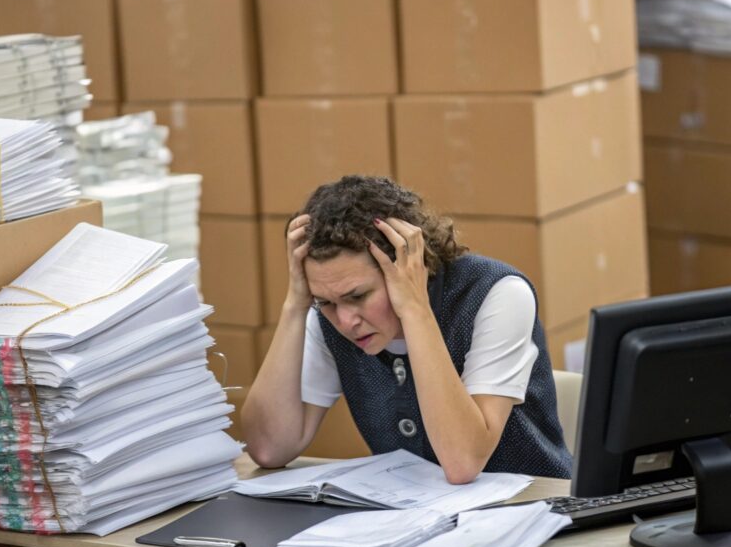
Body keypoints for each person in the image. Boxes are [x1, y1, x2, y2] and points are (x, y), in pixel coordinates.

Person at [242, 176, 572, 483]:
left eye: (358, 296)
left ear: (407, 265)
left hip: (539, 505)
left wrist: (414, 309)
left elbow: (462, 462)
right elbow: (269, 449)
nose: (345, 321)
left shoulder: (495, 293)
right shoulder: (327, 316)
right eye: (325, 301)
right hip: (416, 515)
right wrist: (295, 306)